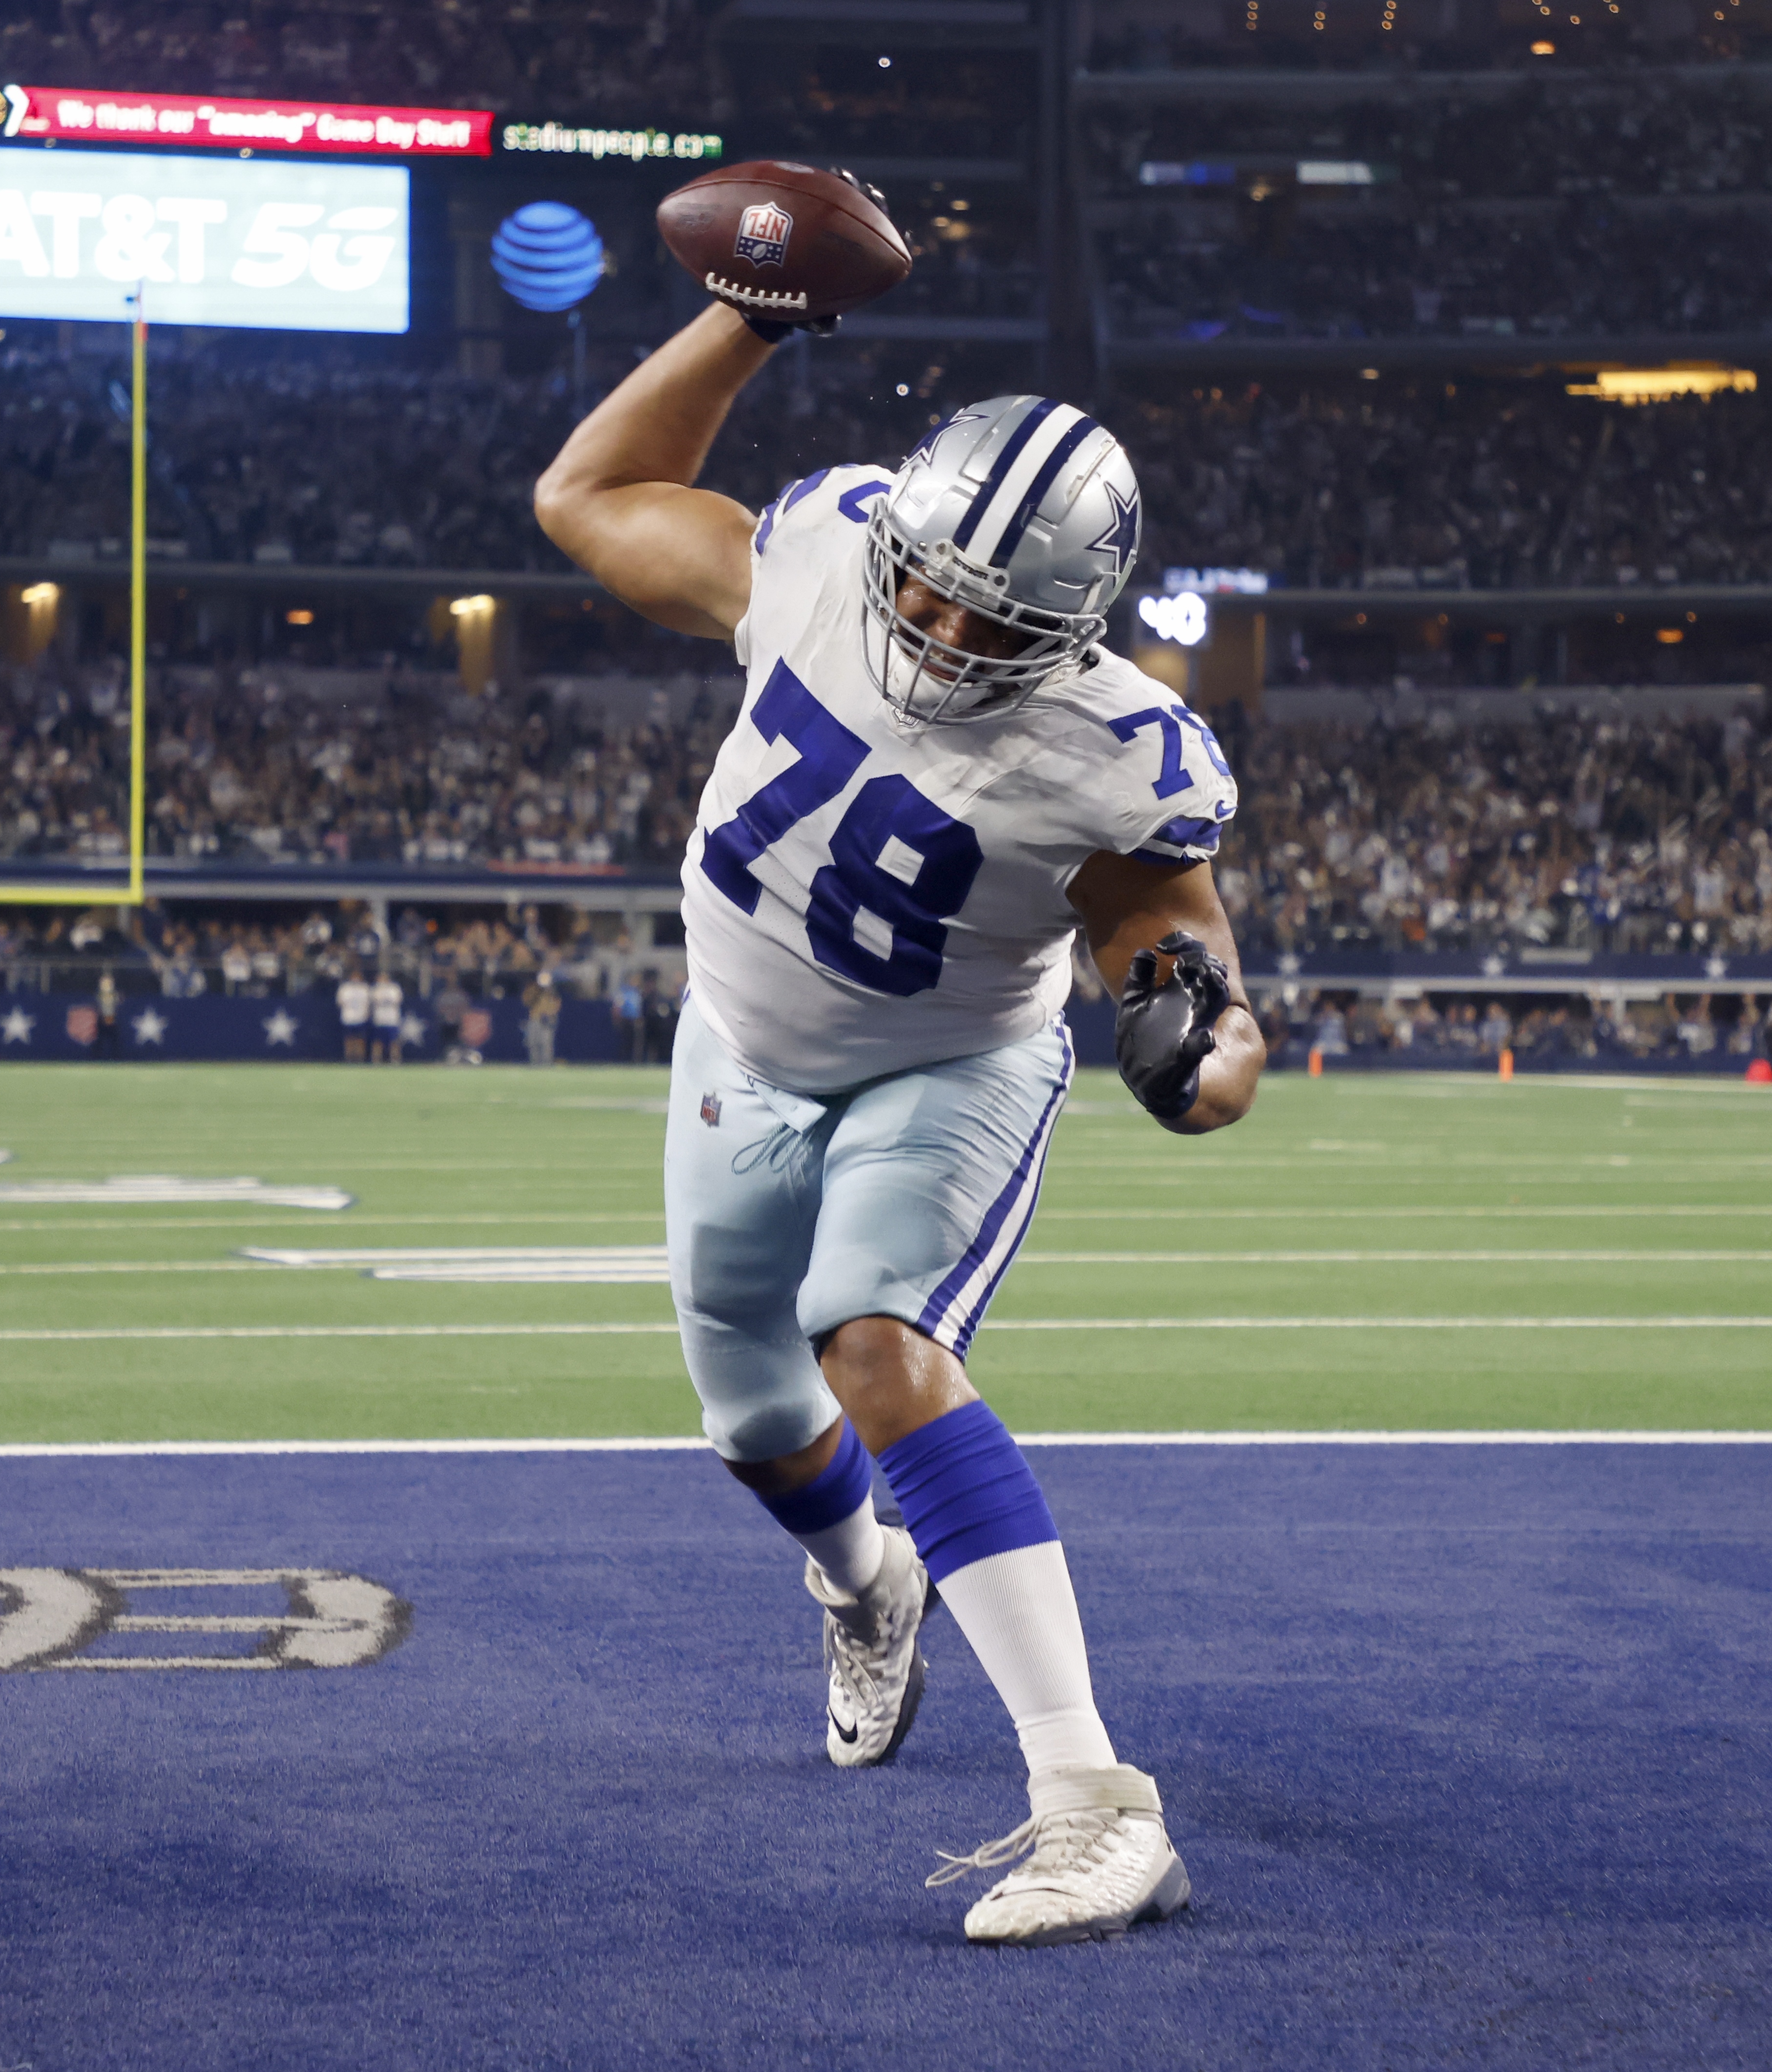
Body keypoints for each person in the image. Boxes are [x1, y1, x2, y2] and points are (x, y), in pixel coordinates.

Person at [536, 298, 1260, 1945]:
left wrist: (1201, 1056)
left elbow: (1184, 954)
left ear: (1075, 628)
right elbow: (587, 497)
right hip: (738, 1034)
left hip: (952, 1063)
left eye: (988, 614)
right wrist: (742, 323)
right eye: (922, 578)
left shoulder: (1112, 747)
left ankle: (1093, 1804)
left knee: (865, 1332)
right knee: (749, 1408)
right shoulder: (823, 546)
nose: (933, 622)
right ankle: (871, 1585)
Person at [336, 966, 372, 1064]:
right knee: (349, 1039)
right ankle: (349, 1057)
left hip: (361, 1017)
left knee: (360, 1040)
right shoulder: (345, 988)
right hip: (349, 1017)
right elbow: (340, 1002)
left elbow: (369, 1003)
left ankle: (360, 1058)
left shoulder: (365, 988)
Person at [370, 969, 404, 1063]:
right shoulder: (375, 989)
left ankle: (395, 1059)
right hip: (380, 1019)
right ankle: (377, 1059)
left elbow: (398, 1000)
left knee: (394, 1041)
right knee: (378, 1041)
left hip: (392, 1019)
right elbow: (373, 1001)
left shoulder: (395, 989)